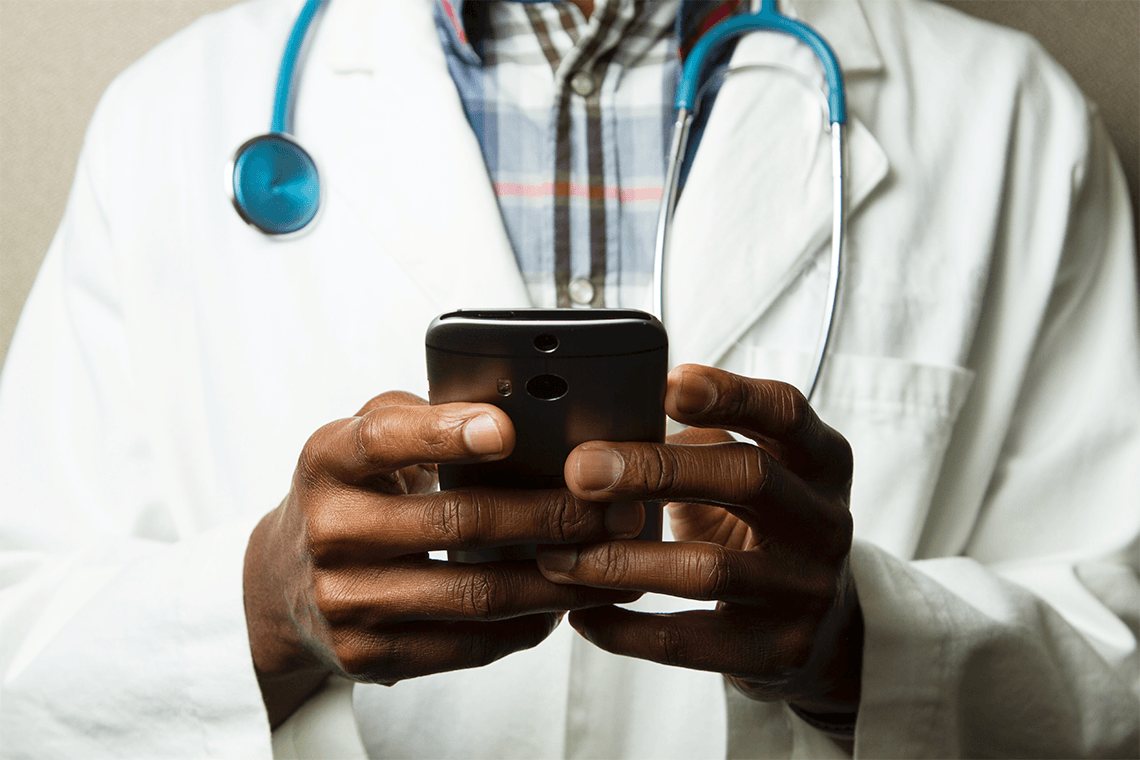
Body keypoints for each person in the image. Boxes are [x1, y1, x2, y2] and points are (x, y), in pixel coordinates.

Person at [1, 0, 1137, 757]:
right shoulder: (171, 118)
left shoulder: (1013, 122)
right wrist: (261, 607)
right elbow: (22, 647)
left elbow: (1118, 648)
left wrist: (862, 643)